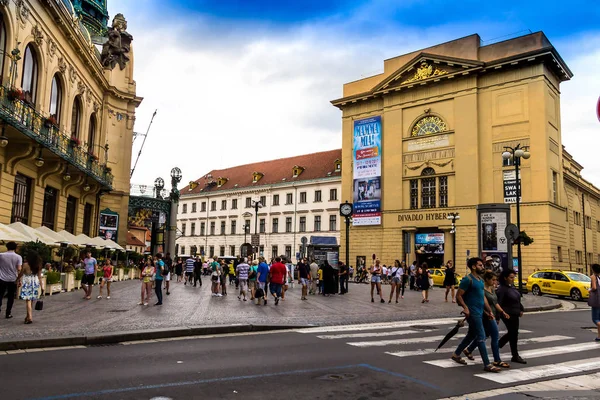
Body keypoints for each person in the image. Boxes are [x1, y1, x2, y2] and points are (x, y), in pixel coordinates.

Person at [450, 257, 500, 373]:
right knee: (481, 337)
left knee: (471, 334)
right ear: (473, 267)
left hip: (480, 312)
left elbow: (482, 297)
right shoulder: (468, 280)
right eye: (480, 265)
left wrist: (489, 311)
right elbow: (459, 296)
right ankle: (487, 364)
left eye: (482, 265)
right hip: (473, 313)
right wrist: (466, 308)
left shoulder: (480, 280)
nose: (482, 267)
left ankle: (456, 354)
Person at [463, 271, 511, 369]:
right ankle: (496, 360)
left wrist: (502, 312)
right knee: (493, 335)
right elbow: (482, 303)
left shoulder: (492, 289)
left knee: (484, 335)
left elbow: (495, 303)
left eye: (496, 280)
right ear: (487, 279)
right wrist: (488, 313)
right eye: (493, 280)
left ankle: (469, 349)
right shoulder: (481, 289)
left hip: (491, 314)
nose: (495, 282)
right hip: (486, 315)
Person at [497, 269, 526, 364]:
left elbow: (517, 299)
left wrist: (521, 309)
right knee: (513, 333)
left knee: (513, 333)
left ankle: (499, 346)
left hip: (515, 313)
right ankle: (514, 354)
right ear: (505, 278)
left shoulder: (512, 287)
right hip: (507, 314)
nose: (513, 279)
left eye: (514, 277)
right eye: (511, 277)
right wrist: (498, 316)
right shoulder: (502, 289)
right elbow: (498, 303)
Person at [16, 251, 42, 324]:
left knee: (28, 300)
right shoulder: (38, 265)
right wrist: (42, 286)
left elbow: (21, 274)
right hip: (35, 282)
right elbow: (39, 276)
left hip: (27, 282)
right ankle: (27, 316)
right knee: (31, 300)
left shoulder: (25, 265)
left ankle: (30, 317)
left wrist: (17, 279)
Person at [0, 241, 23, 319]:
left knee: (0, 295)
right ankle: (8, 313)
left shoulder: (1, 255)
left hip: (2, 278)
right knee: (10, 297)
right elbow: (19, 269)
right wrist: (19, 280)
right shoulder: (18, 257)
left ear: (7, 247)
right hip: (13, 279)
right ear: (15, 248)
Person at [590, 264, 600, 341]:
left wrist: (590, 290)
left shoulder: (593, 277)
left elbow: (594, 287)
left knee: (595, 319)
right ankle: (599, 336)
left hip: (597, 300)